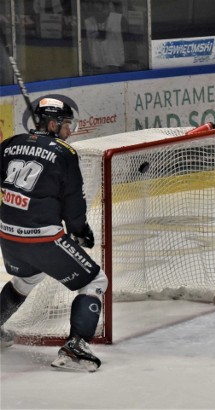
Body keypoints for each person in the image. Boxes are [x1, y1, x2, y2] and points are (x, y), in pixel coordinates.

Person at [0, 98, 108, 372]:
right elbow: (74, 202)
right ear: (52, 124)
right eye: (66, 124)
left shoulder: (10, 144)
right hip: (42, 237)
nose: (69, 131)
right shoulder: (64, 153)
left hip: (8, 234)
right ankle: (76, 347)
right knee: (96, 279)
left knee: (26, 278)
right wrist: (80, 231)